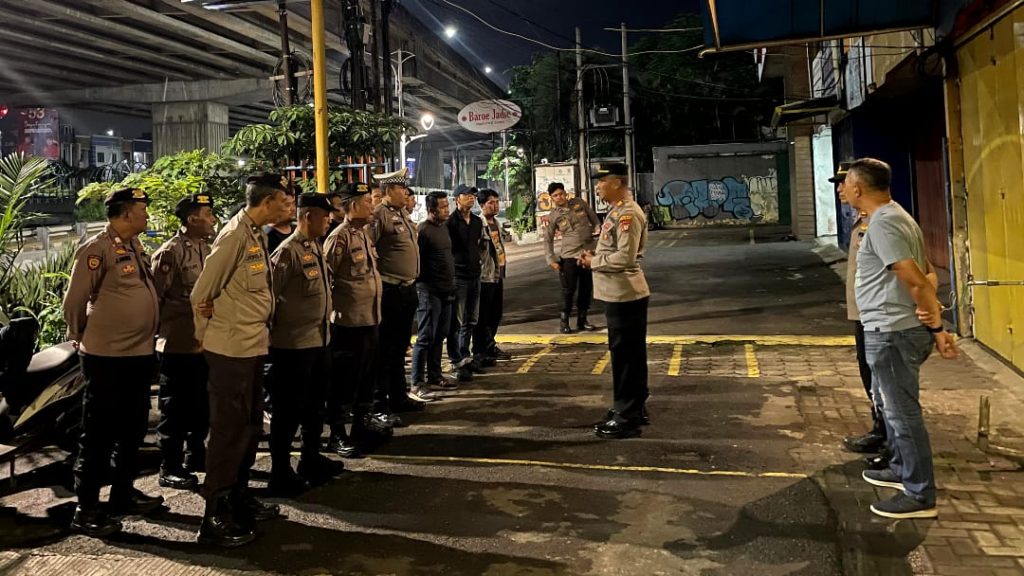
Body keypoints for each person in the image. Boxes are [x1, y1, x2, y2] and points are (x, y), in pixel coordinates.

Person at [845, 158, 958, 520]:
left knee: (902, 413)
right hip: (889, 328)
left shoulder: (885, 224)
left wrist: (938, 325)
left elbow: (916, 279)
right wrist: (932, 317)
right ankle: (899, 468)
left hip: (892, 331)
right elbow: (927, 274)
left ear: (859, 188)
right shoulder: (894, 217)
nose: (843, 189)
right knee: (890, 407)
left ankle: (919, 493)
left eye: (846, 183)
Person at [190, 174, 292, 546]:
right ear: (266, 202)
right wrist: (206, 337)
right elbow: (203, 293)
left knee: (249, 427)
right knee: (228, 430)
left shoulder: (255, 233)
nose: (289, 206)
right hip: (229, 349)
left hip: (251, 346)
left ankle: (237, 497)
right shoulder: (234, 235)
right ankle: (214, 514)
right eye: (284, 200)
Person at [62, 187, 163, 537]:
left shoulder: (135, 247)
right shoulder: (96, 249)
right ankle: (86, 507)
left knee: (133, 428)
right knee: (99, 433)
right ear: (124, 214)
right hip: (107, 357)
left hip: (137, 354)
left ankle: (123, 492)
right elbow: (74, 299)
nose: (147, 215)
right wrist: (80, 334)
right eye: (142, 209)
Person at [266, 192, 345, 496]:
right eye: (325, 216)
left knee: (314, 407)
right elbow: (269, 296)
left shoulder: (315, 246)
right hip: (293, 346)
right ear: (308, 216)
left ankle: (310, 459)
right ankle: (280, 471)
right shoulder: (287, 253)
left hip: (319, 340)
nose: (329, 221)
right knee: (288, 411)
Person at [579, 163, 650, 439]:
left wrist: (593, 261)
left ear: (618, 183)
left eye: (602, 181)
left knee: (625, 357)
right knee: (631, 354)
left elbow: (625, 257)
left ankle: (626, 416)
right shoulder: (617, 210)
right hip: (620, 293)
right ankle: (633, 406)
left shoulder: (628, 213)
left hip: (624, 294)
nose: (597, 186)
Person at [151, 193, 215, 491]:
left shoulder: (206, 248)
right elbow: (156, 298)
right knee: (174, 409)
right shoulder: (171, 252)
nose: (213, 218)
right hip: (177, 344)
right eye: (208, 213)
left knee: (201, 406)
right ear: (192, 219)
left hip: (203, 343)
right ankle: (170, 466)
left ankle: (195, 455)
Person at [324, 182, 392, 458]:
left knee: (365, 379)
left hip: (369, 319)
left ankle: (362, 428)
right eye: (367, 202)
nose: (372, 207)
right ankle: (337, 435)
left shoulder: (363, 234)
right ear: (353, 206)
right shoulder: (338, 238)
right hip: (348, 323)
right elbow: (326, 277)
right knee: (344, 382)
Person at [368, 167, 425, 413]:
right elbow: (370, 248)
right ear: (389, 190)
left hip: (407, 290)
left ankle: (399, 396)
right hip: (390, 290)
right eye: (402, 189)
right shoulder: (379, 215)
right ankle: (382, 403)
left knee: (401, 347)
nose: (406, 193)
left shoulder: (402, 214)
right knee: (386, 350)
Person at [411, 192, 458, 392]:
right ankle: (417, 381)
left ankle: (435, 375)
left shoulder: (443, 229)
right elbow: (417, 263)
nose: (447, 210)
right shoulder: (423, 231)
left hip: (446, 290)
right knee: (425, 337)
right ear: (431, 210)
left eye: (447, 206)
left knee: (440, 335)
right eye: (442, 207)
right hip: (429, 291)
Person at [543, 182, 600, 333]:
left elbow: (593, 217)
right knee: (568, 290)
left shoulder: (579, 203)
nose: (559, 197)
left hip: (587, 253)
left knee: (586, 288)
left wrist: (597, 227)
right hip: (569, 256)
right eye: (555, 195)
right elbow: (547, 239)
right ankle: (564, 321)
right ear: (551, 198)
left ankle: (583, 320)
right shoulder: (553, 216)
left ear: (565, 193)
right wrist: (551, 260)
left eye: (561, 193)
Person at [446, 184, 485, 381]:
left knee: (471, 319)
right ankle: (457, 360)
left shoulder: (477, 222)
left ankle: (465, 356)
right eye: (467, 195)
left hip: (474, 274)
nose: (471, 198)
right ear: (457, 199)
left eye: (473, 195)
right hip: (458, 277)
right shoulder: (450, 223)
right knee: (457, 320)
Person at [473, 188, 512, 366]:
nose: (495, 205)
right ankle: (481, 350)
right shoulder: (478, 224)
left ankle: (489, 346)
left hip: (497, 274)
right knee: (484, 316)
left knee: (496, 313)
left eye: (497, 202)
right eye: (491, 202)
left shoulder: (496, 222)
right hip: (485, 276)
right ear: (481, 205)